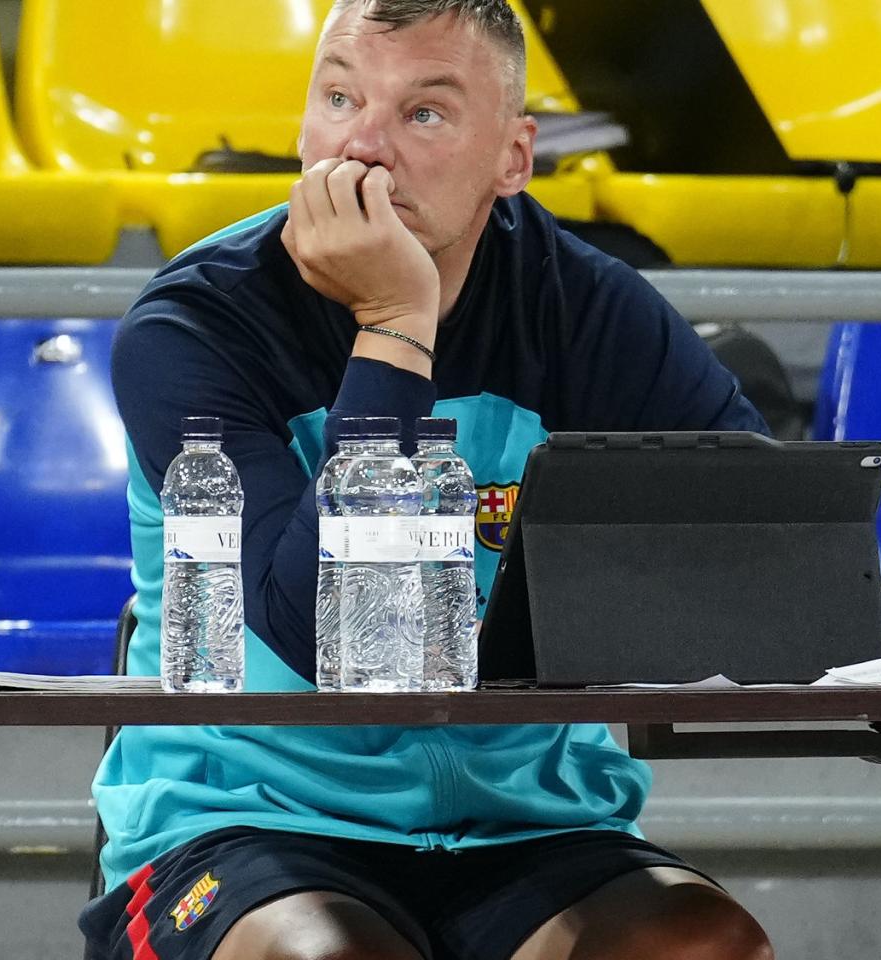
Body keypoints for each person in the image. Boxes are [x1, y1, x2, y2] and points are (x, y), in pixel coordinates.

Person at [86, 2, 797, 957]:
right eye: (339, 98)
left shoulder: (589, 312)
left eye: (424, 113)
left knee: (701, 944)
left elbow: (795, 572)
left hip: (535, 826)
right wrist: (393, 323)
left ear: (513, 158)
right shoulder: (195, 328)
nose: (365, 147)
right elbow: (325, 637)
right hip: (241, 818)